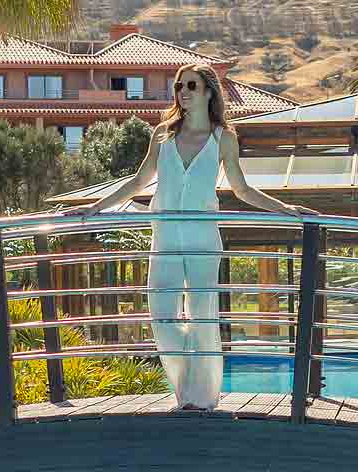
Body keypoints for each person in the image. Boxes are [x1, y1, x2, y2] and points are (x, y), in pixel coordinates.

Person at [72, 63, 310, 408]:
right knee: (163, 317)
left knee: (202, 317)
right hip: (165, 239)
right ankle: (184, 383)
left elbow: (241, 189)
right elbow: (139, 182)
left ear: (209, 91)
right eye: (179, 87)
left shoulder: (223, 138)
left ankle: (199, 398)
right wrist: (94, 208)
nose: (183, 92)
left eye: (191, 86)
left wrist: (287, 209)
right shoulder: (163, 134)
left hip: (202, 240)